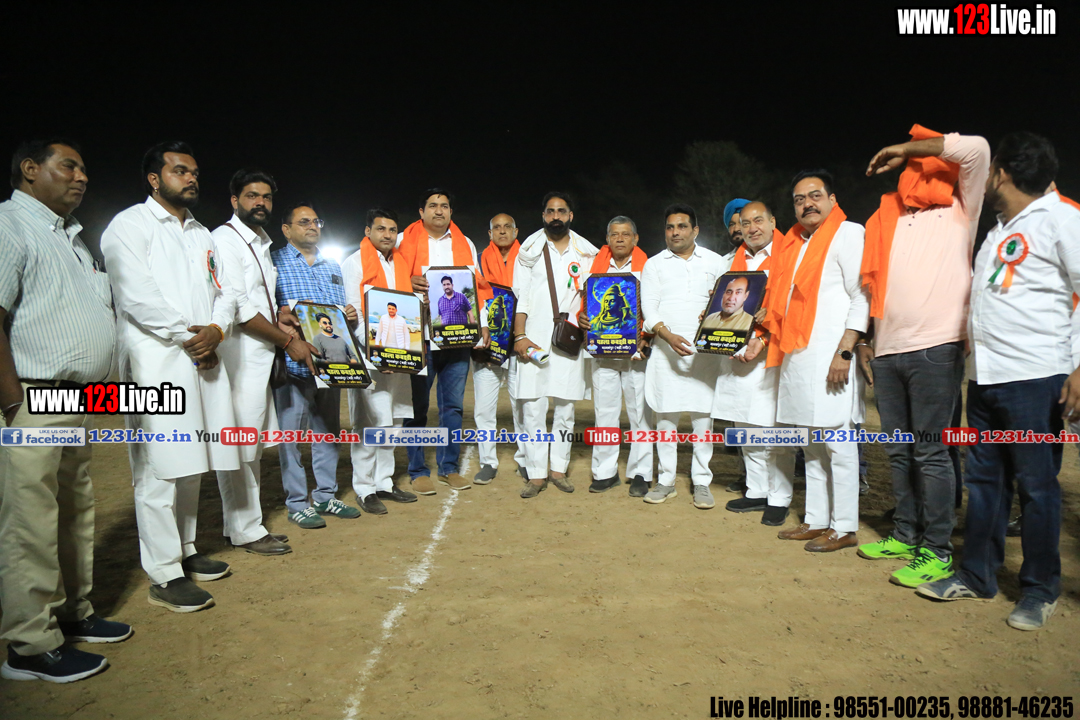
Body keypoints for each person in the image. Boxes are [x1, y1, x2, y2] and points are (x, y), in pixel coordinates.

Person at [918, 132, 1080, 632]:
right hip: (986, 378)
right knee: (985, 483)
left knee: (1036, 486)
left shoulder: (1061, 219)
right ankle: (977, 575)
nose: (986, 178)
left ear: (1002, 173)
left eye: (990, 171)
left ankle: (1039, 589)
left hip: (1035, 377)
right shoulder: (998, 230)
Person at [0, 139, 131, 683]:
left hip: (74, 398)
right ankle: (29, 645)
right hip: (31, 396)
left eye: (83, 168)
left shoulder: (71, 238)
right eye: (68, 166)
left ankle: (74, 612)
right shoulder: (9, 224)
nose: (81, 176)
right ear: (31, 170)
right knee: (29, 519)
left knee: (75, 509)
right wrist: (12, 400)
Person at [100, 141, 240, 612]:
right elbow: (136, 295)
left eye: (194, 171)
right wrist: (190, 337)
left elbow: (226, 291)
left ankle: (185, 549)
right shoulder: (129, 225)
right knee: (158, 468)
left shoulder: (201, 233)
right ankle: (164, 573)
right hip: (155, 363)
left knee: (190, 460)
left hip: (202, 357)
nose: (191, 177)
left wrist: (216, 330)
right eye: (180, 170)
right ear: (154, 179)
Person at [856, 127, 990, 587]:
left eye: (921, 167)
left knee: (931, 452)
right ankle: (905, 535)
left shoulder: (961, 207)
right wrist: (867, 340)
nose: (915, 176)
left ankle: (937, 551)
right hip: (888, 350)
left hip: (937, 347)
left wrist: (904, 148)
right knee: (899, 451)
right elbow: (875, 286)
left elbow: (976, 148)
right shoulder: (887, 219)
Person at [760, 170, 869, 552]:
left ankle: (844, 526)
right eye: (799, 199)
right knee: (812, 445)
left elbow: (861, 296)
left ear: (832, 199)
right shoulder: (793, 244)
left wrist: (845, 351)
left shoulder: (848, 233)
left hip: (831, 357)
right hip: (798, 358)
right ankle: (817, 519)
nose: (807, 204)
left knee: (838, 444)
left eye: (815, 195)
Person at [212, 169, 318, 557]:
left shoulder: (259, 242)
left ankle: (241, 524)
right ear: (234, 200)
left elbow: (260, 300)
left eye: (267, 197)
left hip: (259, 358)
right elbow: (239, 308)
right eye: (251, 195)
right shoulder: (225, 240)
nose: (260, 202)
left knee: (249, 445)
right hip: (238, 359)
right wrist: (289, 341)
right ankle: (246, 529)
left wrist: (281, 318)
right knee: (241, 444)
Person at [272, 202, 361, 528]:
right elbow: (266, 309)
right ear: (286, 230)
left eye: (316, 221)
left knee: (328, 432)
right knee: (291, 437)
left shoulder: (332, 264)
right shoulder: (274, 262)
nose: (312, 226)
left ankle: (325, 496)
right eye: (304, 221)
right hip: (293, 362)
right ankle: (297, 502)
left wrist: (349, 315)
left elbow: (336, 314)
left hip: (329, 364)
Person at [711, 201, 795, 525]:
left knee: (773, 431)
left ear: (773, 222)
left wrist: (765, 337)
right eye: (745, 223)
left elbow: (796, 305)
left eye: (758, 220)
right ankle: (757, 490)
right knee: (744, 426)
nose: (751, 228)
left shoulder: (791, 254)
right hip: (738, 354)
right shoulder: (732, 261)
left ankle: (779, 497)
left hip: (772, 354)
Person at [512, 192, 598, 498]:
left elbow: (592, 295)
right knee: (533, 408)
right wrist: (519, 336)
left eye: (562, 211)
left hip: (569, 339)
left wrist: (588, 317)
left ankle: (558, 469)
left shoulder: (586, 252)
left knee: (565, 408)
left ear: (571, 215)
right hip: (535, 338)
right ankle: (536, 474)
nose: (556, 216)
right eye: (550, 211)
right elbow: (521, 296)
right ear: (543, 216)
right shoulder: (529, 251)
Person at [398, 189, 483, 494]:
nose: (439, 210)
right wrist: (406, 282)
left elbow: (477, 287)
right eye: (432, 205)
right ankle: (418, 470)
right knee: (417, 408)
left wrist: (482, 325)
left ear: (450, 212)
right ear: (421, 211)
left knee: (453, 408)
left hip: (456, 339)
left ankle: (449, 468)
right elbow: (388, 280)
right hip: (420, 337)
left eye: (444, 206)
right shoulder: (402, 241)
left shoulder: (465, 243)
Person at [641, 204, 725, 509]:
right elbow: (649, 308)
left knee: (703, 419)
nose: (675, 232)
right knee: (665, 417)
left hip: (704, 355)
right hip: (667, 353)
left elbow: (727, 305)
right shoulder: (654, 265)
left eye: (682, 226)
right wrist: (666, 334)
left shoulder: (716, 262)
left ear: (695, 230)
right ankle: (666, 480)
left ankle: (702, 481)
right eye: (670, 227)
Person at [340, 209, 418, 515]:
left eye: (392, 230)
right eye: (381, 229)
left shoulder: (400, 262)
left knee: (394, 420)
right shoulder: (354, 262)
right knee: (368, 423)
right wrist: (377, 352)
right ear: (368, 231)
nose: (387, 235)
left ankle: (384, 481)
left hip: (399, 356)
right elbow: (355, 312)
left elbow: (407, 311)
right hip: (369, 356)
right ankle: (364, 487)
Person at [578, 215, 653, 496]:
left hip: (636, 353)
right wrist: (583, 318)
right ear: (607, 239)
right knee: (604, 413)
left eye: (625, 234)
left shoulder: (648, 267)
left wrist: (646, 337)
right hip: (603, 352)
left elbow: (654, 307)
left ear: (635, 238)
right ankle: (605, 472)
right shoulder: (595, 267)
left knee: (640, 414)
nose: (620, 239)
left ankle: (641, 473)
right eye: (614, 234)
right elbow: (586, 305)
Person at [472, 213, 527, 485]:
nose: (502, 231)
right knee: (484, 408)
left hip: (518, 343)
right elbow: (472, 299)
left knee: (522, 406)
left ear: (516, 232)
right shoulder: (478, 260)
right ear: (490, 233)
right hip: (488, 344)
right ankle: (488, 461)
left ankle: (526, 460)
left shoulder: (528, 258)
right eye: (497, 227)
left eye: (507, 227)